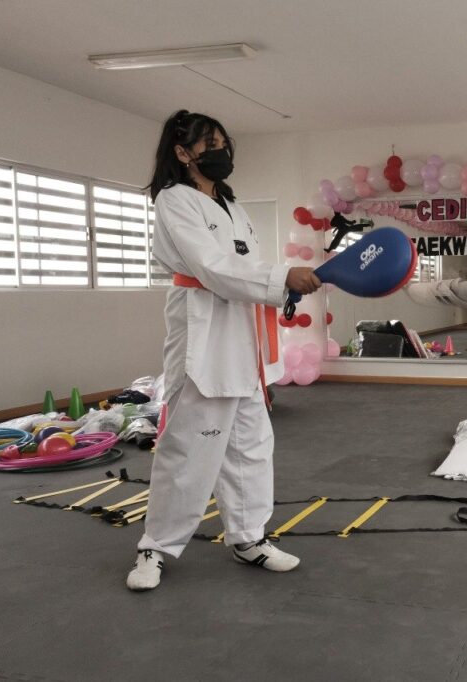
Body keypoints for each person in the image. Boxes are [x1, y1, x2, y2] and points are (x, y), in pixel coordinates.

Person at [126, 110, 321, 591]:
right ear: (182, 152)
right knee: (190, 446)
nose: (220, 151)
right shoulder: (176, 201)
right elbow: (211, 268)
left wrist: (282, 289)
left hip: (245, 337)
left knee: (252, 446)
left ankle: (249, 537)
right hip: (204, 332)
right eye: (208, 143)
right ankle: (156, 546)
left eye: (223, 142)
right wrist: (280, 278)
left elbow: (246, 269)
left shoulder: (233, 207)